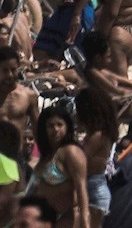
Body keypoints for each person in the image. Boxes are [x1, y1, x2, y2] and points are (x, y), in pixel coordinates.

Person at [32, 105, 90, 228]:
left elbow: (81, 189)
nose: (56, 129)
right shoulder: (47, 154)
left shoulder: (71, 152)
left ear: (67, 126)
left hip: (65, 217)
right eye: (50, 126)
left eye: (60, 124)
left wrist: (86, 223)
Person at [74, 88, 116, 228]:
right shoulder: (100, 134)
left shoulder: (98, 136)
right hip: (93, 188)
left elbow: (79, 160)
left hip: (94, 191)